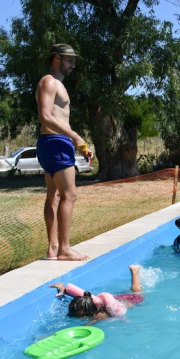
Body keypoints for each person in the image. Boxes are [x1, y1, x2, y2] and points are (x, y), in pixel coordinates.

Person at [35, 43, 93, 261]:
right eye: (70, 60)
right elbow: (45, 116)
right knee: (70, 194)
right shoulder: (49, 81)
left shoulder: (56, 83)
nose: (73, 65)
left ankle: (53, 248)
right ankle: (65, 249)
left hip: (53, 143)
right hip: (56, 142)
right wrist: (76, 137)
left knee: (55, 195)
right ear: (57, 58)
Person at [50, 265, 144, 323]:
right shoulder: (86, 302)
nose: (74, 312)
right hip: (112, 300)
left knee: (138, 293)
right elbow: (77, 296)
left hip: (127, 301)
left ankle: (135, 271)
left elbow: (89, 324)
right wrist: (62, 288)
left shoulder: (99, 315)